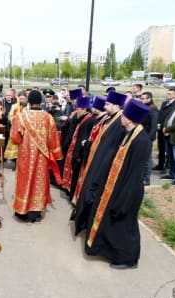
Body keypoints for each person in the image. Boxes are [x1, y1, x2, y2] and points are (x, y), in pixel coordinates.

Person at [85, 98, 151, 269]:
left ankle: (128, 259)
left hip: (127, 191)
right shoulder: (129, 132)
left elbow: (135, 174)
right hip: (117, 186)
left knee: (124, 226)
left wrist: (124, 199)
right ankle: (113, 252)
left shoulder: (141, 141)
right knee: (113, 224)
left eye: (124, 115)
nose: (121, 117)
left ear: (128, 118)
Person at [72, 91, 127, 235]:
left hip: (102, 166)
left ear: (116, 106)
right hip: (96, 162)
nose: (105, 105)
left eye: (107, 104)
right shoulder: (111, 119)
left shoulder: (118, 122)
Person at [10, 90, 62, 223]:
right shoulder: (48, 117)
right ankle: (35, 213)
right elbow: (53, 139)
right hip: (42, 158)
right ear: (41, 101)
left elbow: (15, 138)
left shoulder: (20, 116)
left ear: (29, 101)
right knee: (39, 182)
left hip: (25, 156)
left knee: (25, 180)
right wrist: (56, 154)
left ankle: (22, 211)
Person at [61, 96, 94, 201]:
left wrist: (77, 154)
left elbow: (82, 137)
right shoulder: (82, 118)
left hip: (79, 152)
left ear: (84, 109)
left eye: (78, 108)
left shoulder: (89, 120)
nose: (76, 110)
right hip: (73, 148)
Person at [153, 88, 175, 171]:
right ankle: (160, 164)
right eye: (167, 93)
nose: (167, 95)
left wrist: (165, 126)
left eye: (170, 94)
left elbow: (172, 118)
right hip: (160, 128)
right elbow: (160, 114)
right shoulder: (164, 103)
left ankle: (167, 166)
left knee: (167, 149)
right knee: (161, 147)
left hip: (167, 129)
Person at [140, 91, 159, 185]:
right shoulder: (146, 107)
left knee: (147, 159)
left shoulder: (153, 110)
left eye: (143, 98)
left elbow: (153, 127)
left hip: (148, 137)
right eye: (141, 98)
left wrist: (148, 139)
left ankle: (146, 179)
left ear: (149, 99)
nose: (141, 100)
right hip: (143, 136)